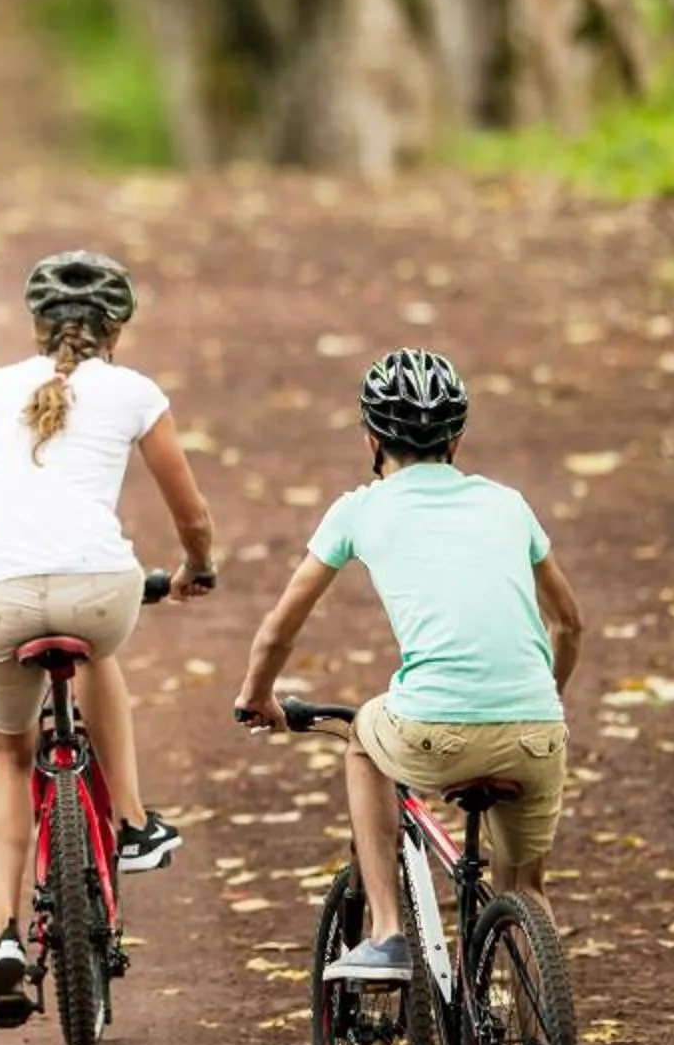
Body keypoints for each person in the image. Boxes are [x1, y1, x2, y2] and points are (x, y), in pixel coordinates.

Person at [0, 248, 217, 1030]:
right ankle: (133, 821)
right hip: (101, 588)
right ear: (118, 329)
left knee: (8, 757)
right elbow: (192, 515)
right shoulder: (135, 393)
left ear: (36, 324)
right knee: (99, 652)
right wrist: (195, 568)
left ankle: (5, 935)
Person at [231, 348, 584, 982]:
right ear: (457, 439)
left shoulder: (359, 509)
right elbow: (570, 624)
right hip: (536, 729)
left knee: (363, 739)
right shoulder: (509, 504)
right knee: (526, 889)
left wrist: (258, 695)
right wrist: (538, 698)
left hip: (433, 728)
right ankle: (539, 1032)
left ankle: (388, 931)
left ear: (371, 438)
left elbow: (281, 626)